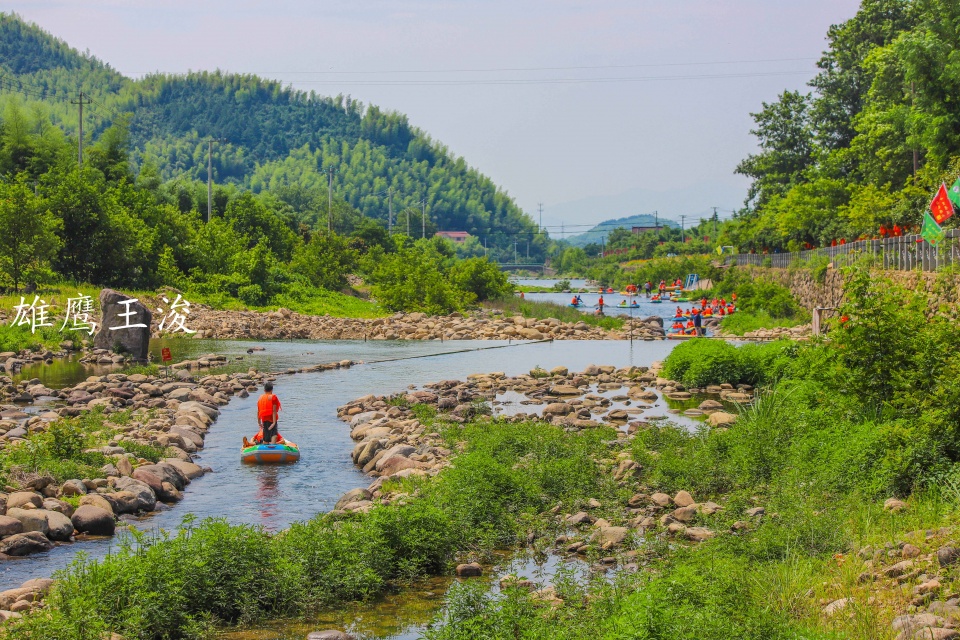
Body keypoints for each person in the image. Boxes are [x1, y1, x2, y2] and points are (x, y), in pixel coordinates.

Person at [249, 382, 282, 446]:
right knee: (274, 436)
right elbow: (274, 411)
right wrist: (274, 422)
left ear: (264, 390)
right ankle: (272, 449)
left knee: (266, 440)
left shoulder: (260, 398)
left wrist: (259, 422)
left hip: (264, 421)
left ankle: (264, 450)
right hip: (271, 421)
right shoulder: (273, 397)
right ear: (272, 390)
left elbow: (258, 411)